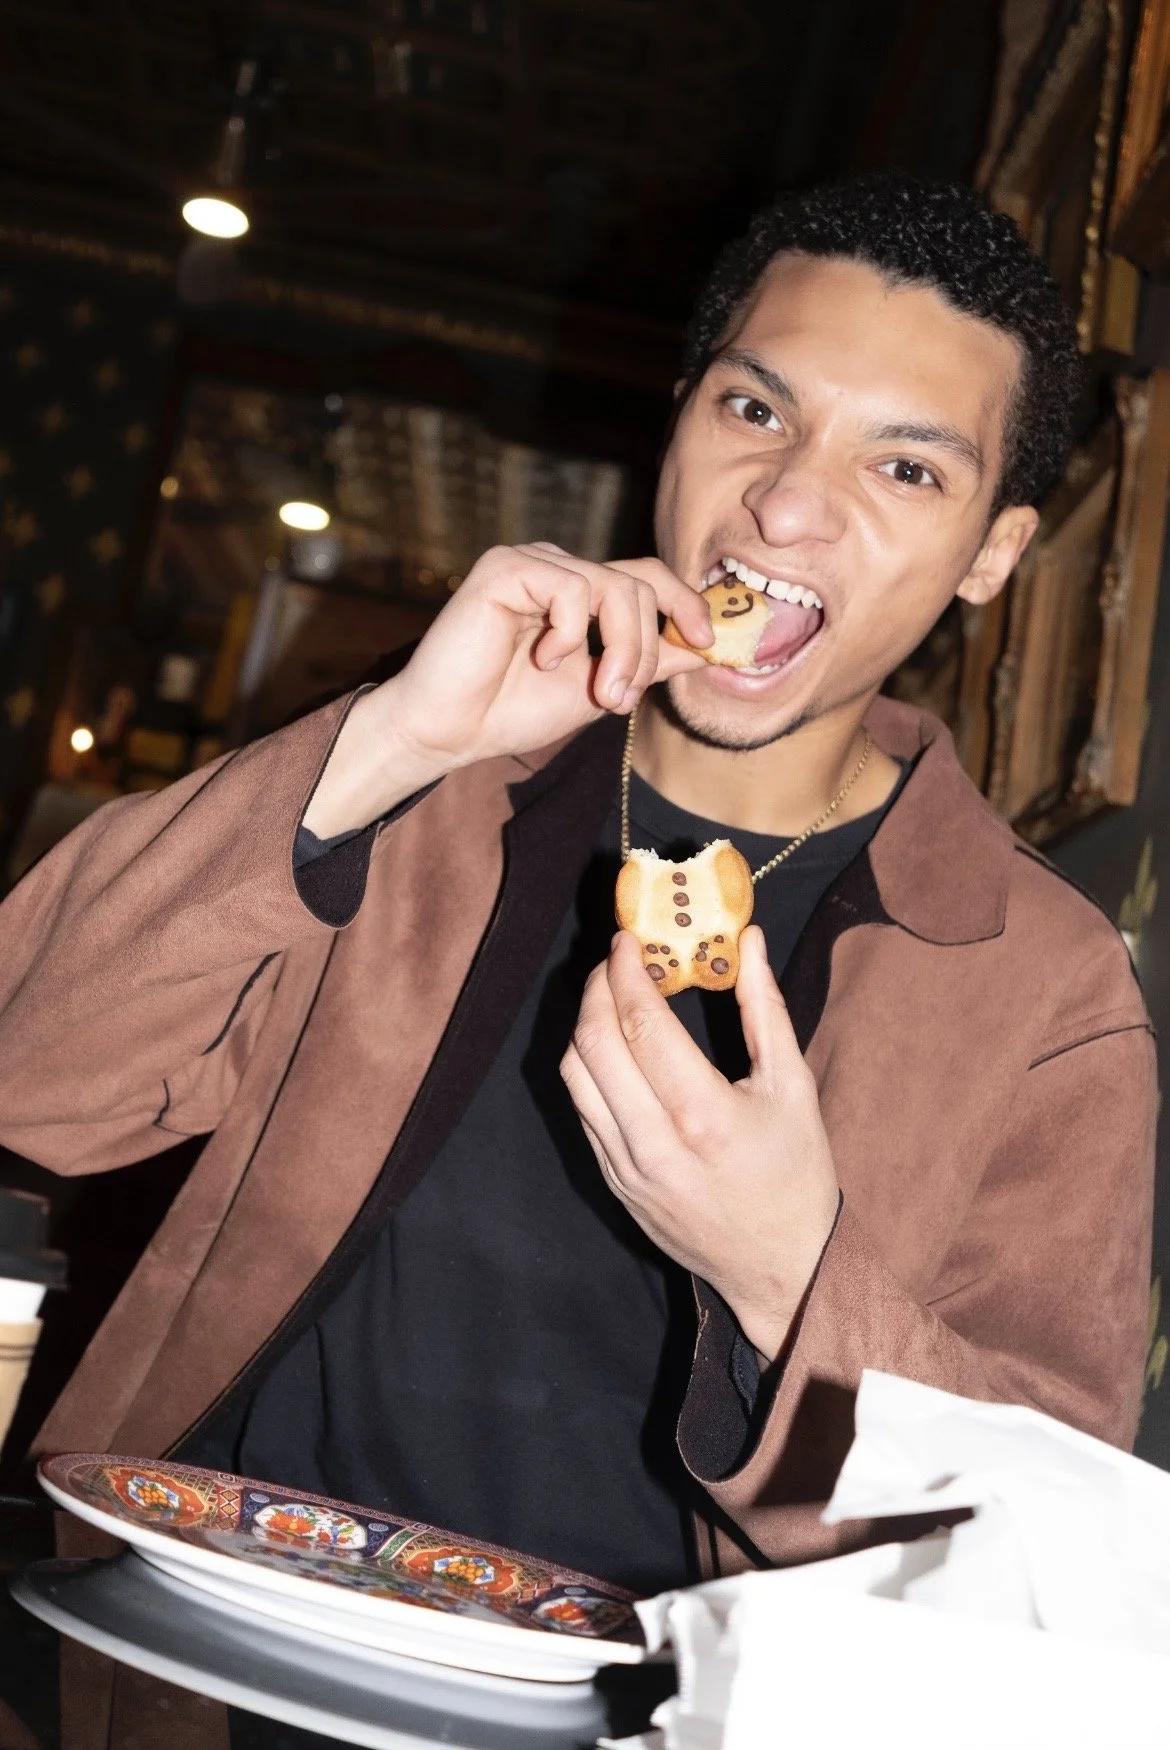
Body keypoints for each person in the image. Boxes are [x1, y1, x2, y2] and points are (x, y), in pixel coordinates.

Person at [0, 175, 1155, 1633]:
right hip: (210, 1663)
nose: (789, 502)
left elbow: (1037, 1549)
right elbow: (35, 1072)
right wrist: (394, 740)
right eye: (754, 410)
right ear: (678, 415)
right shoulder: (439, 766)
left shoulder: (1038, 980)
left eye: (906, 470)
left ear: (992, 552)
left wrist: (790, 1270)